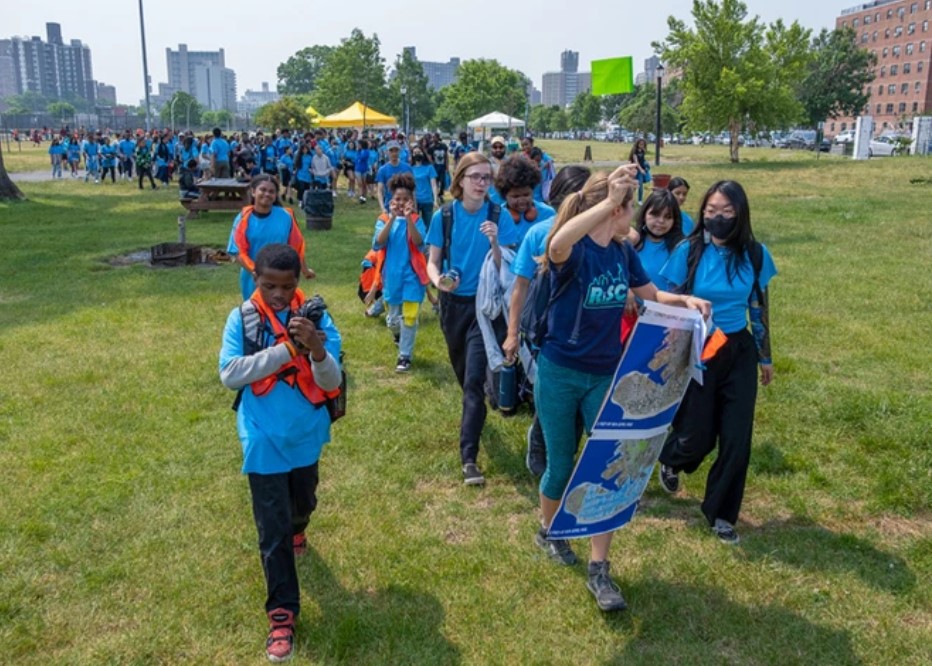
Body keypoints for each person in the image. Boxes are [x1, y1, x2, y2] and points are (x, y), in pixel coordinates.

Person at [533, 166, 709, 612]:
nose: (634, 216)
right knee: (560, 463)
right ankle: (548, 529)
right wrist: (609, 200)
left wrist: (684, 301)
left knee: (608, 462)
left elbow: (650, 294)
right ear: (609, 212)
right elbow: (556, 244)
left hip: (605, 373)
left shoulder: (620, 252)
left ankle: (599, 567)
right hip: (559, 371)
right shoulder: (574, 252)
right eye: (627, 208)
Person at [219, 243, 342, 663]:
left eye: (286, 287)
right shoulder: (242, 319)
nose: (277, 295)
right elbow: (230, 374)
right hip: (261, 437)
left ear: (297, 285)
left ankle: (299, 526)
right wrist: (287, 351)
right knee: (272, 533)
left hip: (306, 434)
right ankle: (282, 614)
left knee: (302, 503)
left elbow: (332, 381)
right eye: (269, 285)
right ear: (256, 280)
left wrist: (317, 349)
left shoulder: (318, 319)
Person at [656, 180, 777, 545]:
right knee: (697, 438)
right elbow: (669, 302)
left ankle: (722, 514)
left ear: (740, 214)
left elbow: (759, 307)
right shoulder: (688, 251)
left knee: (737, 438)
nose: (717, 218)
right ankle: (670, 458)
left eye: (725, 212)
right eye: (710, 211)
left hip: (738, 350)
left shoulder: (756, 255)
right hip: (699, 349)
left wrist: (765, 356)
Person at [425, 152, 518, 485]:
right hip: (452, 307)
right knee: (464, 374)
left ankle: (469, 459)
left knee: (474, 383)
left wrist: (494, 241)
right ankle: (476, 409)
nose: (482, 183)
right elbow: (433, 261)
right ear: (460, 179)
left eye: (486, 178)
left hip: (485, 308)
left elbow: (504, 269)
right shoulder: (444, 215)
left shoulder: (498, 214)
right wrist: (438, 282)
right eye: (475, 177)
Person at [503, 165, 591, 477]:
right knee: (554, 399)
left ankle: (565, 455)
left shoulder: (603, 233)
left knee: (580, 401)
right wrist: (512, 334)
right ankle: (541, 449)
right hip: (548, 333)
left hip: (591, 335)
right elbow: (520, 287)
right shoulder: (540, 234)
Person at [371, 173, 429, 373]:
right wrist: (393, 218)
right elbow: (378, 243)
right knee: (393, 321)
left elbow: (420, 244)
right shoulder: (384, 219)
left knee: (410, 317)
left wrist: (409, 220)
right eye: (398, 199)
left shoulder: (417, 219)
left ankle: (405, 356)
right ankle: (397, 335)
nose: (402, 203)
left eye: (406, 199)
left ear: (412, 201)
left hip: (413, 277)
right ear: (391, 200)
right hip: (392, 277)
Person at [227, 174, 316, 301]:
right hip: (253, 278)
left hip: (282, 277)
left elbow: (296, 247)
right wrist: (257, 273)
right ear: (253, 192)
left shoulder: (286, 216)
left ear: (275, 196)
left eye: (271, 191)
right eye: (262, 190)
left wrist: (305, 270)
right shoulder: (243, 218)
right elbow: (238, 252)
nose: (267, 194)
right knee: (255, 315)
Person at [494, 155, 556, 246]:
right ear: (504, 196)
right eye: (515, 196)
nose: (521, 200)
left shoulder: (548, 214)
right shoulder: (497, 217)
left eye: (526, 195)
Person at [632, 188, 684, 288]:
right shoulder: (632, 243)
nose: (661, 221)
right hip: (636, 303)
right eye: (655, 214)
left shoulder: (682, 248)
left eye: (668, 217)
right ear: (644, 214)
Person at [376, 141, 414, 216]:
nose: (394, 153)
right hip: (390, 206)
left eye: (396, 150)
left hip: (406, 206)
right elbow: (380, 190)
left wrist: (414, 206)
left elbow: (412, 190)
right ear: (387, 152)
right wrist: (383, 208)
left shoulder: (407, 168)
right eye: (391, 150)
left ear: (399, 151)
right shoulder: (382, 170)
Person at [410, 148, 439, 221]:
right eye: (415, 152)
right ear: (412, 155)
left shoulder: (429, 167)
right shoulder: (410, 169)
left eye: (419, 152)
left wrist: (435, 199)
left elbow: (434, 185)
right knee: (415, 224)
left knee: (428, 225)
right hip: (415, 200)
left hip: (427, 200)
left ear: (423, 153)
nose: (417, 154)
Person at [628, 138, 651, 205]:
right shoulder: (635, 152)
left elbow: (643, 160)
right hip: (635, 170)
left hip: (641, 171)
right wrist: (641, 170)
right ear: (637, 144)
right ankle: (630, 200)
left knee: (640, 185)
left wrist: (646, 165)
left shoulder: (642, 151)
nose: (642, 145)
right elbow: (636, 162)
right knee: (634, 186)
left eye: (643, 144)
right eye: (640, 144)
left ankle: (640, 200)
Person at [430, 132, 449, 199]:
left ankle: (440, 194)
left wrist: (447, 167)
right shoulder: (431, 147)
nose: (433, 139)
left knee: (443, 181)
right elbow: (430, 158)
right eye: (433, 137)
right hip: (435, 167)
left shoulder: (444, 146)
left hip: (442, 167)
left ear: (438, 138)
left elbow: (446, 156)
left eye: (434, 137)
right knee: (436, 182)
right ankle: (435, 195)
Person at [354, 139, 371, 204]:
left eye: (359, 144)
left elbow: (362, 157)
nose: (358, 145)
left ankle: (364, 196)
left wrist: (359, 152)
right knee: (360, 184)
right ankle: (361, 197)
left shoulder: (366, 151)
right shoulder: (358, 151)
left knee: (364, 184)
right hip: (358, 169)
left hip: (364, 169)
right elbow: (356, 159)